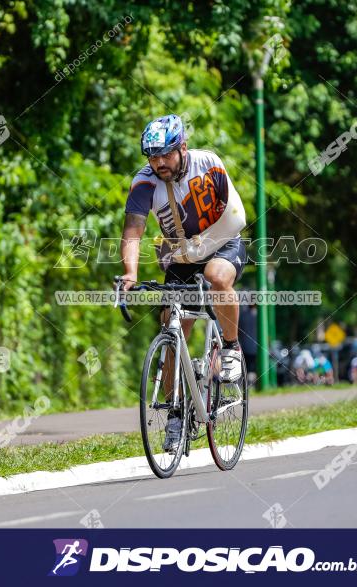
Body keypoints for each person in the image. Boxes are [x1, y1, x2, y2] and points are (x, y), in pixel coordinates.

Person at [119, 114, 247, 453]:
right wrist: (130, 274)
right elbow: (133, 232)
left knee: (216, 277)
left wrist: (196, 249)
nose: (159, 162)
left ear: (183, 148)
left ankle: (231, 347)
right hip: (181, 256)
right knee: (174, 328)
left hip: (223, 242)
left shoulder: (208, 163)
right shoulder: (144, 182)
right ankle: (176, 415)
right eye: (152, 156)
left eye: (166, 154)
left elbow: (237, 217)